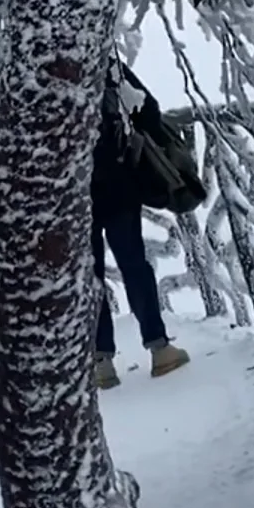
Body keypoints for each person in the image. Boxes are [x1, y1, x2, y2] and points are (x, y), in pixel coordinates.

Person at [91, 63, 190, 390]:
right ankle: (159, 348)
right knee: (134, 266)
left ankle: (100, 360)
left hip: (74, 193)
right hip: (118, 185)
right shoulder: (106, 64)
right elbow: (148, 110)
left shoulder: (43, 67)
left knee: (88, 276)